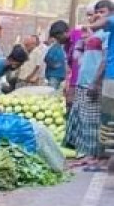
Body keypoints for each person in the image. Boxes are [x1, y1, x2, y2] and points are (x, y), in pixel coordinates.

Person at [65, 31, 105, 163]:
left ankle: (94, 155)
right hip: (82, 82)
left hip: (92, 84)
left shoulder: (107, 34)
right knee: (83, 120)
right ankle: (87, 153)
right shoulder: (91, 34)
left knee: (92, 121)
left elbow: (105, 60)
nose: (92, 17)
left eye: (100, 12)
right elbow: (80, 59)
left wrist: (95, 82)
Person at [44, 21, 69, 89]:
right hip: (54, 75)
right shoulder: (54, 47)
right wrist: (55, 65)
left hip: (61, 75)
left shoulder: (63, 46)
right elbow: (46, 58)